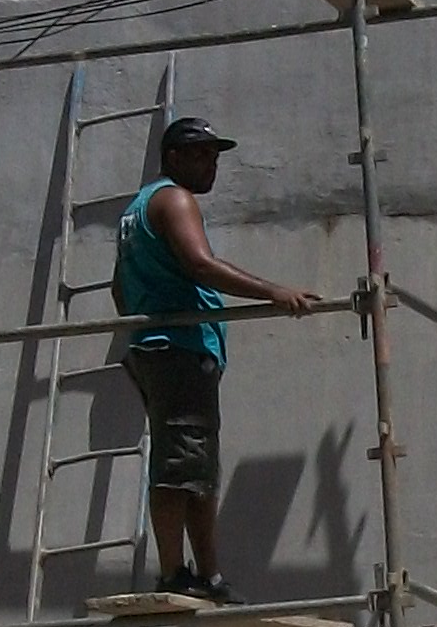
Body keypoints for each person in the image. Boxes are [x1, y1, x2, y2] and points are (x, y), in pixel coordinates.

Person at [115, 114, 322, 602]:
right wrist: (273, 291)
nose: (211, 165)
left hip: (162, 347)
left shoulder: (137, 208)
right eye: (200, 155)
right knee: (181, 465)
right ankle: (180, 574)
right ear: (173, 157)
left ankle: (205, 574)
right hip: (179, 349)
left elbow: (119, 288)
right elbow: (200, 264)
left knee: (193, 464)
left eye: (214, 156)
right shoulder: (173, 199)